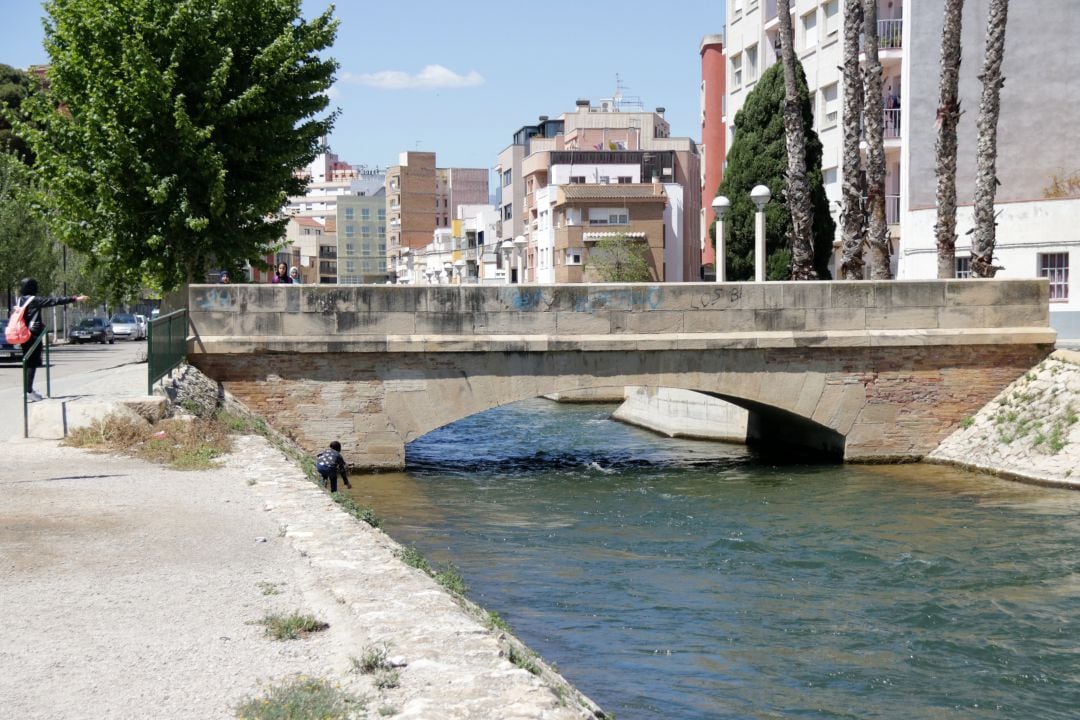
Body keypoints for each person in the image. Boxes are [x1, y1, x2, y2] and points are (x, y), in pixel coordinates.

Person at [15, 277, 90, 402]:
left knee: (27, 362)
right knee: (32, 363)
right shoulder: (34, 300)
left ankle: (28, 389)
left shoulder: (19, 300)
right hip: (32, 335)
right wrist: (75, 298)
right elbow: (54, 301)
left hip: (22, 334)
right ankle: (28, 391)